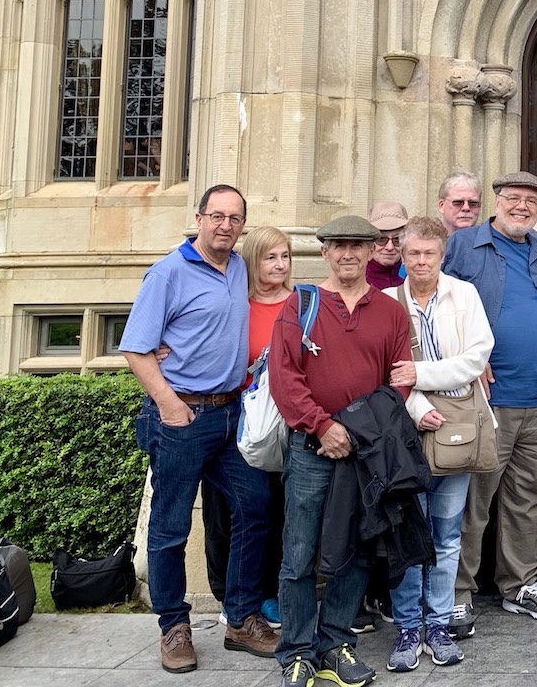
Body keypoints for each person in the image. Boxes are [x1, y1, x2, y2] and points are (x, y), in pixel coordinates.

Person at [119, 185, 279, 673]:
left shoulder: (237, 270)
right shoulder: (168, 273)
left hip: (231, 415)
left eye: (234, 218)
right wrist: (169, 405)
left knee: (256, 507)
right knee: (170, 527)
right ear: (199, 218)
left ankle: (241, 617)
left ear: (242, 226)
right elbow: (135, 348)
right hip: (181, 417)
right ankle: (173, 625)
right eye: (217, 216)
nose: (225, 225)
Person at [268, 213, 415, 687]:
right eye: (338, 245)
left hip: (365, 454)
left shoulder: (392, 311)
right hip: (312, 448)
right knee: (299, 552)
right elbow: (284, 379)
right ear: (325, 252)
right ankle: (296, 651)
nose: (348, 253)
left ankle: (333, 643)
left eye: (358, 246)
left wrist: (356, 432)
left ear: (373, 252)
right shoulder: (301, 303)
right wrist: (323, 426)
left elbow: (401, 381)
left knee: (358, 550)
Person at [443, 172, 537, 634]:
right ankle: (455, 594)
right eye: (512, 198)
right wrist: (466, 358)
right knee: (473, 500)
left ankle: (520, 584)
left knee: (526, 497)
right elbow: (437, 306)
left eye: (530, 201)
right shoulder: (465, 246)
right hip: (485, 400)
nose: (521, 206)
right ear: (497, 201)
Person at [384, 216, 494, 672]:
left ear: (442, 255)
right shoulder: (388, 302)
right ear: (402, 255)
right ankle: (408, 627)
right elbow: (386, 369)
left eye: (430, 253)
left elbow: (477, 354)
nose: (422, 261)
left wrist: (424, 375)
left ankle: (439, 625)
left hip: (455, 428)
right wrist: (416, 405)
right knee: (409, 534)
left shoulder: (463, 295)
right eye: (413, 253)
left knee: (447, 535)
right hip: (404, 430)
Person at [202, 227, 294, 627]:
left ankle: (270, 594)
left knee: (277, 508)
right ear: (252, 262)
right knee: (226, 510)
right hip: (235, 415)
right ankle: (229, 595)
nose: (279, 265)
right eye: (270, 257)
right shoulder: (236, 304)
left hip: (287, 417)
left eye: (285, 256)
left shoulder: (302, 304)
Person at [366, 202, 408, 290]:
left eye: (397, 239)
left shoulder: (410, 281)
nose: (390, 247)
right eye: (381, 239)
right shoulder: (356, 284)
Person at [436, 171, 483, 236]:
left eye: (473, 203)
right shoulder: (426, 242)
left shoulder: (490, 244)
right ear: (441, 206)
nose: (466, 208)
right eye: (458, 202)